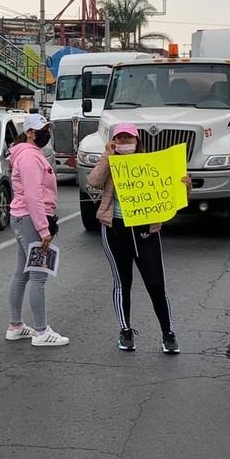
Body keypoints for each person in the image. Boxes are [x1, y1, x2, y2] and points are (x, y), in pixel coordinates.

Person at [87, 122, 186, 353]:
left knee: (156, 283)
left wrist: (184, 187)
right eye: (119, 139)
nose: (124, 143)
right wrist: (107, 156)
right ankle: (125, 330)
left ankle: (168, 332)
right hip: (115, 227)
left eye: (128, 139)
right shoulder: (110, 161)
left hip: (145, 229)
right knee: (122, 282)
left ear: (137, 141)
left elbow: (170, 191)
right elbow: (93, 182)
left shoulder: (151, 163)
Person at [6, 113, 68, 347]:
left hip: (23, 218)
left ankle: (16, 325)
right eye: (42, 129)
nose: (47, 132)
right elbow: (33, 196)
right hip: (31, 220)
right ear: (30, 132)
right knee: (38, 277)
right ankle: (41, 331)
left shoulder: (26, 154)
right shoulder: (30, 157)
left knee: (21, 274)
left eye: (47, 128)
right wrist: (44, 230)